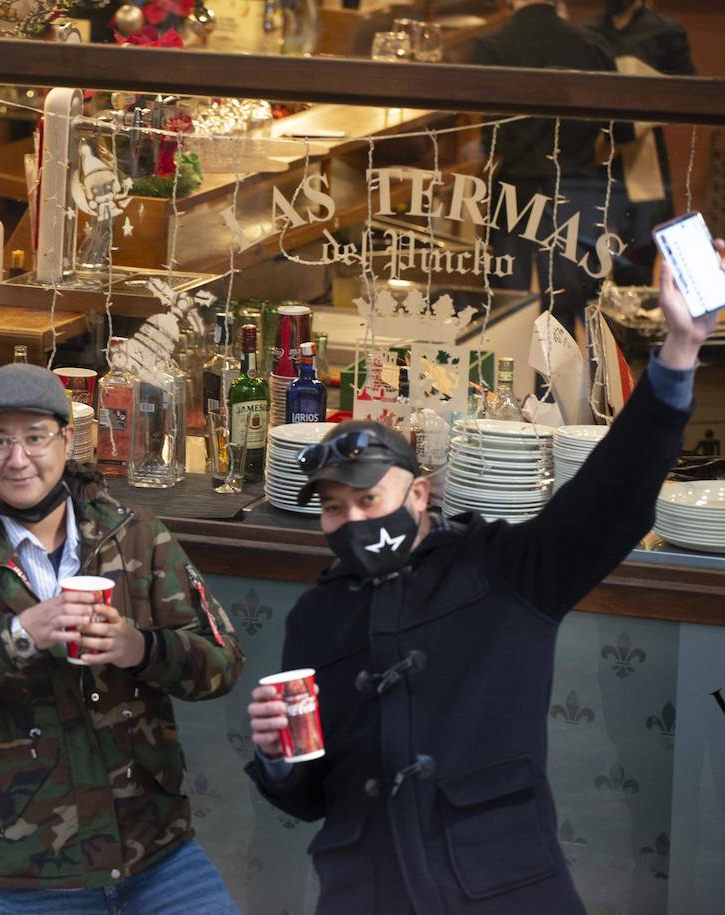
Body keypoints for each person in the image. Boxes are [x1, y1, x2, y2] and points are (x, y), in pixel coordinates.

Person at [243, 238, 725, 913]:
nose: (351, 519)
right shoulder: (314, 620)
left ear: (418, 496)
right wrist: (276, 758)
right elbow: (311, 795)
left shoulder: (503, 571)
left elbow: (612, 498)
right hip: (367, 894)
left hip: (502, 887)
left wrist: (677, 351)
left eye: (368, 500)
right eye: (333, 507)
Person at [0, 363, 245, 914]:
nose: (18, 458)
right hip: (30, 871)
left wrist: (140, 648)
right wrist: (16, 637)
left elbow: (224, 662)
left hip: (159, 855)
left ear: (66, 439)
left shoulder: (137, 537)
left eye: (35, 437)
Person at [472, 0, 629, 336]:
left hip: (515, 185)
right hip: (576, 183)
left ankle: (508, 380)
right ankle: (561, 384)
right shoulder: (593, 45)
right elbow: (621, 132)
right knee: (569, 301)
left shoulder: (492, 46)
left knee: (507, 300)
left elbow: (491, 139)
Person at [585, 0, 696, 286]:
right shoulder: (588, 32)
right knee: (588, 258)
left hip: (643, 163)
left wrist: (636, 121)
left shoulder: (666, 32)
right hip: (595, 157)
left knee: (639, 255)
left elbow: (688, 94)